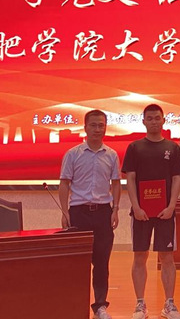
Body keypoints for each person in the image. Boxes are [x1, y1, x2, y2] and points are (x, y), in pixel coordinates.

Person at [123, 104, 180, 319]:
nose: (153, 121)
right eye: (149, 118)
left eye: (157, 118)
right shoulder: (135, 147)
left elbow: (177, 178)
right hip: (140, 213)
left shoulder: (173, 148)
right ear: (143, 121)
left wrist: (171, 206)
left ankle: (169, 304)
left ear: (163, 120)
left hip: (165, 213)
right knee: (140, 256)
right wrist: (136, 206)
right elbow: (130, 178)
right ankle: (140, 304)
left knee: (167, 257)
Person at [59, 109, 121, 319]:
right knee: (78, 263)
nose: (97, 129)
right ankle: (76, 304)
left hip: (103, 213)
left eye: (101, 125)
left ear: (105, 127)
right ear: (85, 128)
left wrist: (115, 210)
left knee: (102, 263)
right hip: (79, 213)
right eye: (93, 125)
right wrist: (65, 212)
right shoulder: (73, 154)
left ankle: (100, 306)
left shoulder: (111, 155)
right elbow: (64, 183)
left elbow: (116, 184)